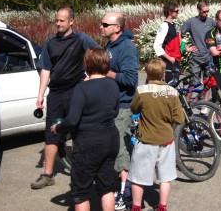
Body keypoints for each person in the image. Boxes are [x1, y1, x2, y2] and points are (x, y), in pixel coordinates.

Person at [31, 5, 100, 190]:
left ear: (71, 21)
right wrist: (40, 95)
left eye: (62, 20)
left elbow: (98, 54)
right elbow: (45, 69)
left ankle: (82, 171)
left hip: (75, 91)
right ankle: (47, 174)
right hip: (55, 94)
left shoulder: (81, 39)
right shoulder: (50, 43)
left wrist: (89, 75)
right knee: (51, 132)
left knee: (78, 131)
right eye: (57, 20)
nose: (58, 23)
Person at [50, 49, 120, 211]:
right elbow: (115, 112)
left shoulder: (81, 88)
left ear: (87, 64)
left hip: (88, 142)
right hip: (110, 138)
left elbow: (73, 120)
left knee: (81, 191)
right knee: (107, 187)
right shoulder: (113, 85)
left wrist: (58, 127)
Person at [128, 58, 185, 211]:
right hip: (166, 139)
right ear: (163, 74)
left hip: (146, 139)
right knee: (165, 177)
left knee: (138, 177)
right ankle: (162, 206)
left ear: (147, 73)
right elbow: (179, 118)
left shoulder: (142, 91)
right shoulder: (172, 92)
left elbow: (134, 108)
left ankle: (136, 206)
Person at [101, 12, 139, 209]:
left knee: (121, 151)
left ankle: (125, 195)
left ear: (117, 28)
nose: (101, 26)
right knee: (115, 149)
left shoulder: (126, 48)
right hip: (111, 105)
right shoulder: (110, 46)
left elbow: (132, 79)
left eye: (105, 24)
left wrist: (105, 73)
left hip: (123, 106)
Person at [181, 1, 215, 94]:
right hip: (196, 57)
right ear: (198, 10)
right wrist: (185, 47)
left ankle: (205, 105)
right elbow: (180, 32)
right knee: (193, 82)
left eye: (207, 11)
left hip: (208, 56)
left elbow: (218, 32)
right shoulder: (191, 22)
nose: (206, 13)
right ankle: (188, 105)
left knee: (208, 81)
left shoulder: (211, 22)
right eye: (204, 12)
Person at [153, 2, 181, 83]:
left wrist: (186, 48)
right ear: (170, 12)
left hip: (176, 61)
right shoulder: (164, 26)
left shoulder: (174, 25)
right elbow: (157, 46)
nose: (178, 13)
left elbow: (176, 44)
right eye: (176, 11)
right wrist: (170, 59)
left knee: (174, 88)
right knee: (168, 89)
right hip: (168, 63)